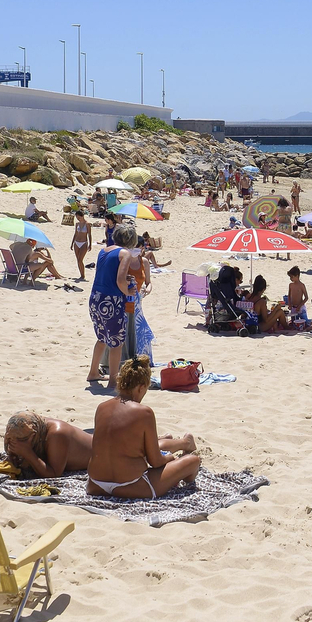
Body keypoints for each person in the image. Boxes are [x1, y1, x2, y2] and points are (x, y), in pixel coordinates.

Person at [85, 356, 202, 499]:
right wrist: (170, 459)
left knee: (150, 446)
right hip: (132, 486)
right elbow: (155, 461)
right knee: (192, 461)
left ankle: (183, 443)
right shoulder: (143, 412)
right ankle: (185, 465)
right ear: (141, 388)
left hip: (96, 484)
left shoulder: (101, 408)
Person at [86, 226, 140, 387]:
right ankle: (113, 380)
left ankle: (93, 372)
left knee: (102, 337)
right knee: (116, 341)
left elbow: (107, 274)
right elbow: (120, 281)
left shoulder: (104, 251)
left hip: (96, 297)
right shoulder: (126, 254)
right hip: (111, 301)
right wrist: (128, 291)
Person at [3, 410, 96, 478]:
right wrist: (13, 455)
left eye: (22, 441)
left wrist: (28, 453)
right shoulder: (34, 427)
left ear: (34, 435)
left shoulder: (57, 434)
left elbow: (53, 474)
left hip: (102, 451)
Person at [70, 212, 93, 280]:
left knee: (80, 260)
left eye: (79, 217)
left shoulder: (87, 224)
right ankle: (81, 274)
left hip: (84, 243)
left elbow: (89, 234)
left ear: (82, 216)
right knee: (78, 260)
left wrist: (90, 244)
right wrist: (72, 243)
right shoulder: (77, 224)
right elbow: (75, 234)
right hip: (76, 242)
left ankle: (83, 275)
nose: (78, 219)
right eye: (77, 217)